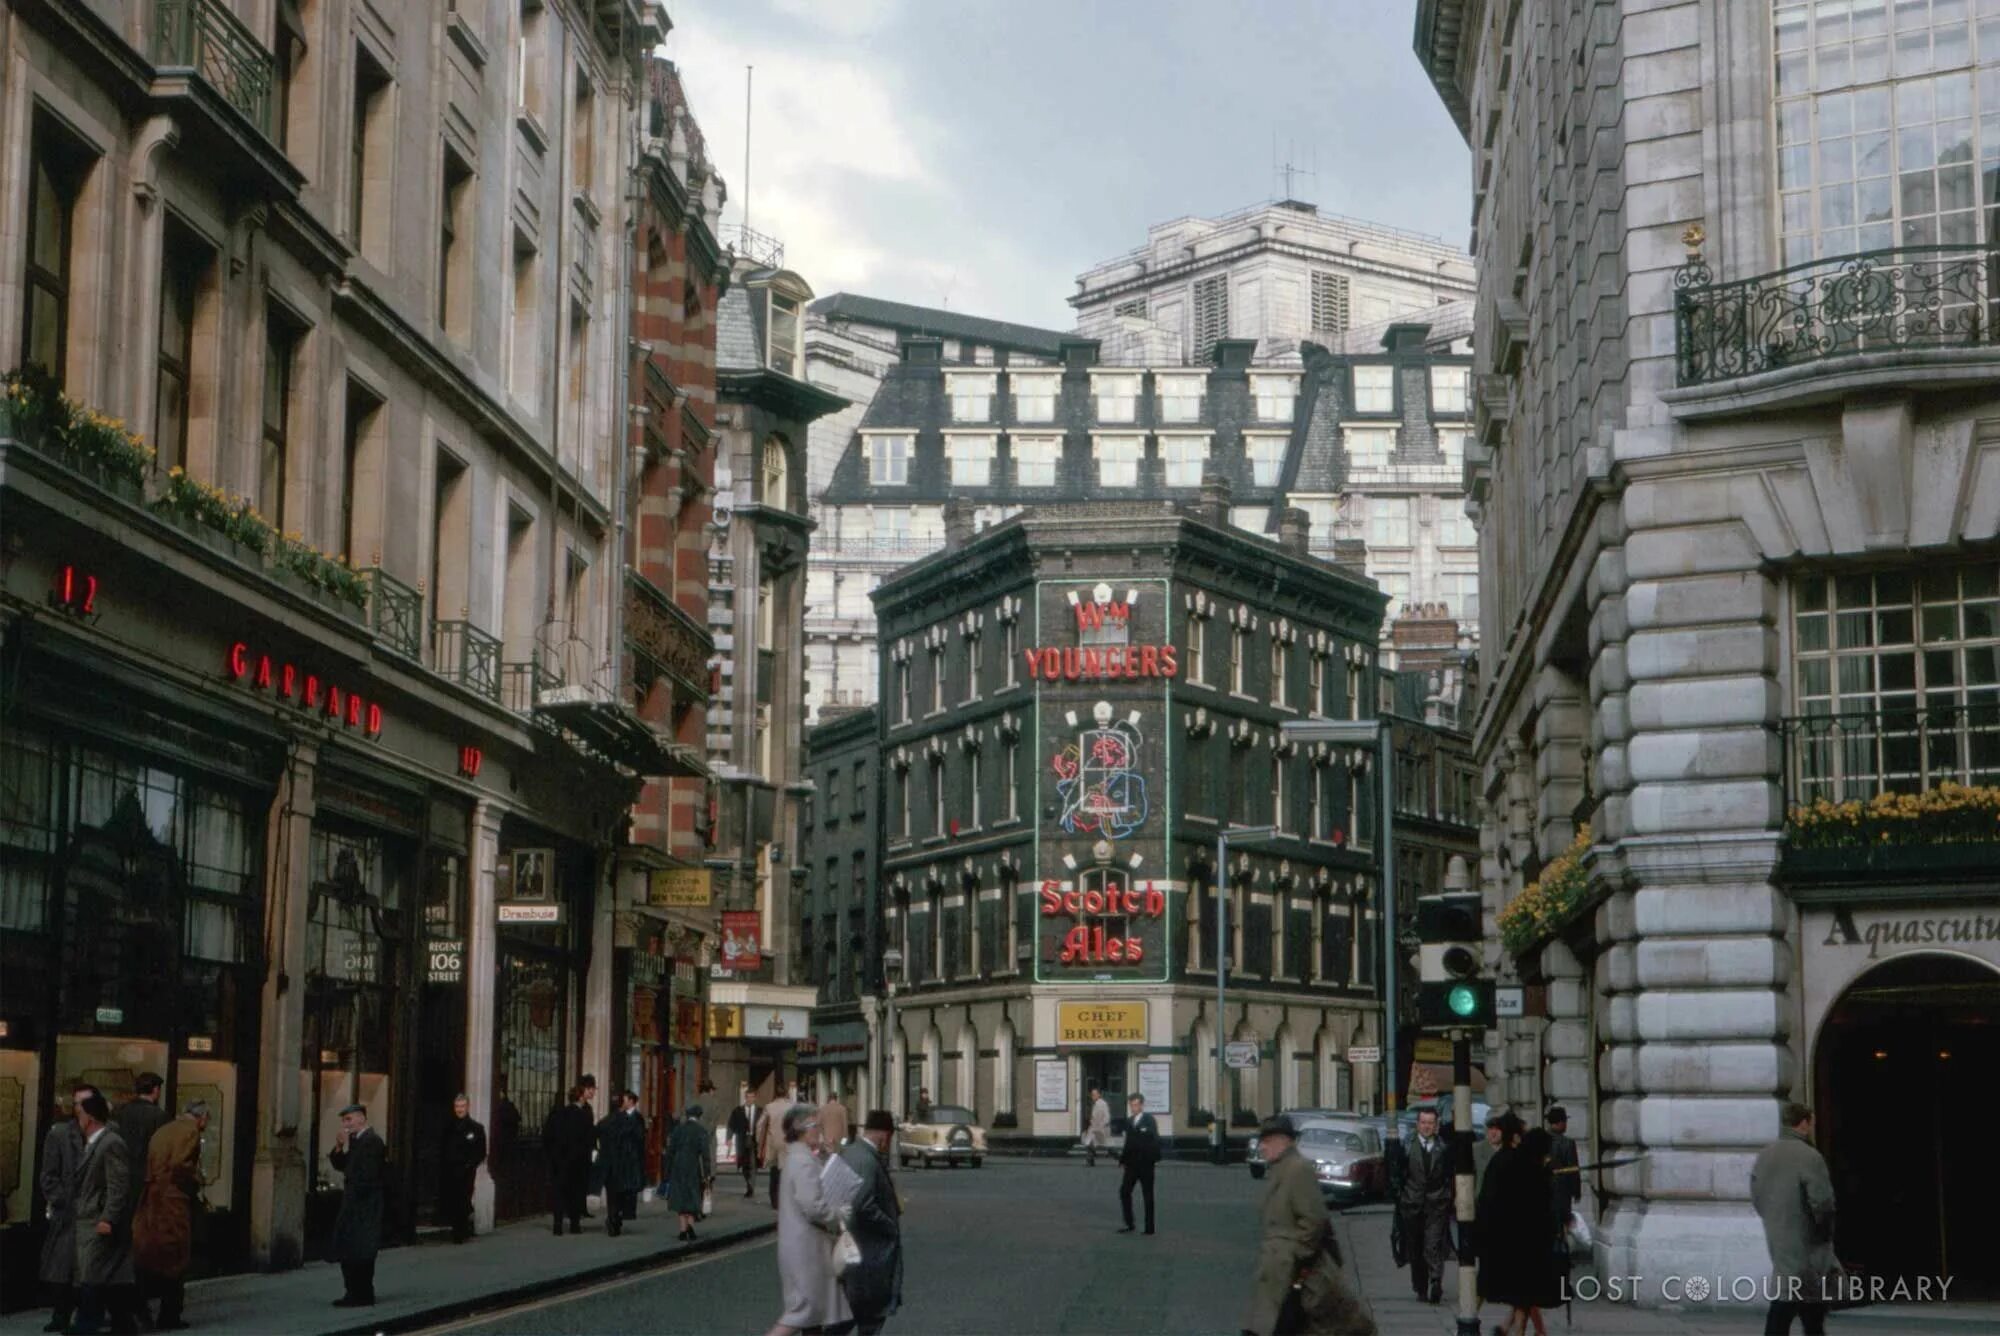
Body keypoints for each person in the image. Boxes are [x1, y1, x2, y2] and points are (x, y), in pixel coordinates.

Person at [1243, 1115, 1377, 1336]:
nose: (1262, 1147)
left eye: (1267, 1141)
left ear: (1283, 1141)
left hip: (1297, 1272)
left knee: (1321, 1324)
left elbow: (1314, 1220)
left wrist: (1297, 1257)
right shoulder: (1281, 1169)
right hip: (1280, 1271)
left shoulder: (1297, 1169)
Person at [1751, 1102, 1839, 1336]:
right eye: (1811, 1122)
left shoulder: (1764, 1155)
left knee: (1801, 1299)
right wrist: (1826, 1232)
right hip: (1807, 1240)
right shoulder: (1810, 1157)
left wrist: (1773, 1219)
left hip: (1778, 1235)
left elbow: (1756, 1196)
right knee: (1793, 1301)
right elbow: (1823, 1202)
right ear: (1803, 1123)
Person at [767, 1105, 847, 1336]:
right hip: (806, 1251)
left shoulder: (800, 1158)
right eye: (816, 1126)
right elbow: (814, 1207)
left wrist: (830, 1154)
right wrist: (840, 1214)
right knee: (803, 1312)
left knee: (813, 1318)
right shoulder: (802, 1162)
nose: (820, 1130)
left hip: (804, 1248)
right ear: (802, 1129)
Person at [1478, 1117, 1559, 1336]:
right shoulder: (1531, 1169)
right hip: (1529, 1242)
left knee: (1522, 1293)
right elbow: (1543, 1209)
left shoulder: (1506, 1161)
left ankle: (1512, 1329)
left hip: (1508, 1238)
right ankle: (1520, 1331)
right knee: (1525, 1291)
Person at [132, 1101, 207, 1330]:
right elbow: (180, 1164)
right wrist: (197, 1179)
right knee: (177, 1257)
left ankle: (141, 1309)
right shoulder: (190, 1131)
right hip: (173, 1200)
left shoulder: (163, 1130)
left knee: (151, 1254)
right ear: (201, 1117)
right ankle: (169, 1314)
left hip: (152, 1199)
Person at [71, 1088, 137, 1336]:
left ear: (90, 1117)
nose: (78, 1119)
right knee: (107, 1276)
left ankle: (86, 1325)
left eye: (80, 1113)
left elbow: (118, 1185)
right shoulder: (93, 1143)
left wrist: (108, 1218)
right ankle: (125, 1324)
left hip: (99, 1220)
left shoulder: (111, 1143)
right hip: (89, 1218)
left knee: (93, 1274)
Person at [838, 1110, 904, 1336]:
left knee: (848, 1315)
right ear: (885, 1136)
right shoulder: (868, 1160)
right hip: (870, 1251)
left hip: (852, 1247)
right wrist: (889, 1225)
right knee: (870, 1317)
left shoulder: (850, 1152)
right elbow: (862, 1204)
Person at [38, 1089, 87, 1334]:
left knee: (87, 1270)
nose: (82, 1108)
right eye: (79, 1103)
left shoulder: (105, 1134)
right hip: (67, 1212)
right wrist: (60, 1200)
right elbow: (48, 1175)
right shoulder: (60, 1134)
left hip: (91, 1213)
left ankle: (85, 1315)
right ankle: (61, 1314)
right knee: (63, 1268)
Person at [1391, 1107, 1452, 1304]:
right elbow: (1398, 1173)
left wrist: (1447, 1196)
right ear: (1418, 1125)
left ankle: (1435, 1281)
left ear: (1436, 1125)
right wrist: (1400, 1196)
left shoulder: (1443, 1147)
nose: (1427, 1126)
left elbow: (1448, 1174)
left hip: (1436, 1203)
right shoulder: (1407, 1145)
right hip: (1412, 1203)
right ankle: (1421, 1287)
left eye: (1430, 1123)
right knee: (1415, 1248)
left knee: (1433, 1244)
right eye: (1423, 1123)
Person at [328, 1103, 384, 1308]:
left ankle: (362, 1294)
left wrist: (355, 1187)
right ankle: (353, 1292)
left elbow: (366, 1175)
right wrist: (339, 1147)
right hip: (354, 1204)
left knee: (361, 1251)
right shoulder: (357, 1141)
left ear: (361, 1118)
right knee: (349, 1249)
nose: (346, 1124)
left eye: (349, 1119)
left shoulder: (373, 1142)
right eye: (344, 1121)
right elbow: (341, 1164)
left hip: (365, 1206)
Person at [544, 1086, 594, 1236]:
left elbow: (547, 1136)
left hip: (559, 1161)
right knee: (576, 1192)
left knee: (559, 1192)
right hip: (578, 1161)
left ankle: (557, 1225)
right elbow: (589, 1139)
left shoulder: (557, 1114)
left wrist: (552, 1156)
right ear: (579, 1097)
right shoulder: (583, 1116)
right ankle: (574, 1224)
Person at [596, 1090, 646, 1237]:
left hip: (622, 1162)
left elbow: (639, 1138)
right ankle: (614, 1219)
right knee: (617, 1192)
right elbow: (601, 1127)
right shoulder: (619, 1118)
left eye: (624, 1100)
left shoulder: (633, 1118)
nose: (623, 1103)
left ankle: (615, 1218)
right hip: (619, 1162)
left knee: (619, 1193)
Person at [1544, 1107, 1581, 1295]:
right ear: (1560, 1123)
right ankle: (1561, 1282)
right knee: (1561, 1239)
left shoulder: (1542, 1142)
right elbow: (1573, 1170)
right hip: (1561, 1198)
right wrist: (1577, 1191)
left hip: (1543, 1197)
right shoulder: (1567, 1144)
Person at [441, 1093, 487, 1243]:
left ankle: (462, 1230)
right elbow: (441, 1148)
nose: (459, 1109)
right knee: (453, 1199)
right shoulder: (447, 1127)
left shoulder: (476, 1128)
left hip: (466, 1171)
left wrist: (470, 1164)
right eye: (457, 1106)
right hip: (450, 1170)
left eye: (462, 1106)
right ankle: (457, 1229)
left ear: (467, 1107)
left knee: (464, 1199)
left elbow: (481, 1151)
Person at [110, 1074, 170, 1188]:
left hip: (122, 1170)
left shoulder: (122, 1111)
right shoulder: (160, 1116)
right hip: (146, 1174)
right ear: (156, 1090)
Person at [1116, 1092, 1160, 1236]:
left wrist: (1152, 1158)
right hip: (1132, 1165)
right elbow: (1128, 1143)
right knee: (1124, 1192)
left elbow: (1153, 1139)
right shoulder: (1129, 1121)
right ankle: (1129, 1223)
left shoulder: (1149, 1120)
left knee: (1148, 1195)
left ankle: (1149, 1227)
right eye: (1131, 1105)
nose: (1133, 1108)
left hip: (1146, 1164)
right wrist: (1122, 1160)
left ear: (1141, 1105)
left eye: (1135, 1105)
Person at [667, 1104, 713, 1242]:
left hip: (678, 1165)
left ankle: (682, 1229)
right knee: (692, 1195)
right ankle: (691, 1227)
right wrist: (707, 1174)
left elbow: (670, 1151)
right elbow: (705, 1155)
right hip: (693, 1166)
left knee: (681, 1196)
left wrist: (667, 1170)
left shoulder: (678, 1129)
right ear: (699, 1116)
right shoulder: (701, 1131)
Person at [758, 1082, 797, 1211]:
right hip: (787, 1143)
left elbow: (760, 1125)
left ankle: (774, 1201)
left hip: (773, 1143)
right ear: (786, 1093)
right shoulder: (791, 1107)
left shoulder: (769, 1107)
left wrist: (759, 1141)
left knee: (774, 1173)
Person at [729, 1087, 759, 1199]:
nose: (750, 1099)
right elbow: (731, 1125)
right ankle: (748, 1182)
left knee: (753, 1164)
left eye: (752, 1097)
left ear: (755, 1098)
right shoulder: (738, 1111)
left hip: (754, 1140)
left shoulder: (760, 1111)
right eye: (748, 1097)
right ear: (745, 1098)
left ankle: (751, 1187)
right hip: (742, 1140)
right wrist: (729, 1138)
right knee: (744, 1165)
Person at [1083, 1088, 1111, 1168]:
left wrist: (1101, 1125)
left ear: (1099, 1095)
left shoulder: (1102, 1104)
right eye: (1092, 1094)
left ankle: (1120, 1157)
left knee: (1106, 1146)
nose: (1093, 1096)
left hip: (1100, 1129)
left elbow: (1107, 1117)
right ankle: (1090, 1161)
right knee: (1090, 1144)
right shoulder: (1096, 1104)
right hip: (1094, 1129)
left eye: (1095, 1094)